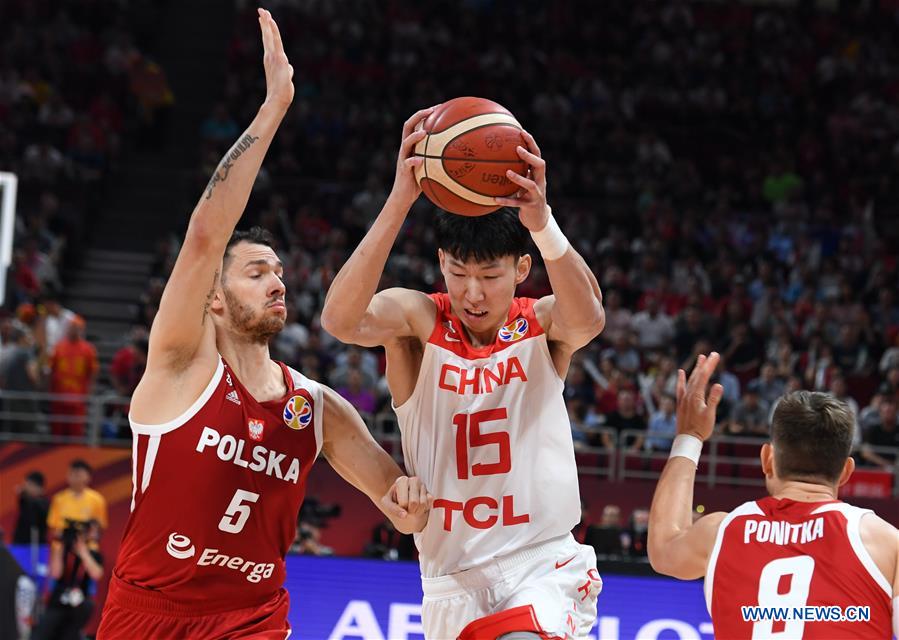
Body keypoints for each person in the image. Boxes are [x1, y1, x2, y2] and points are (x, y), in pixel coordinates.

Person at [97, 12, 430, 639]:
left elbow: (402, 510)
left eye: (278, 272)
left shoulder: (318, 408)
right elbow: (205, 236)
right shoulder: (180, 365)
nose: (277, 282)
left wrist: (410, 504)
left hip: (253, 618)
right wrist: (274, 107)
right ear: (214, 300)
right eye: (255, 272)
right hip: (149, 614)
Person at [321, 108, 605, 639]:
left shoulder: (540, 323)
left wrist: (542, 224)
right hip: (448, 582)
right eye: (458, 273)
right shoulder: (417, 322)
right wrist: (400, 199)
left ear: (521, 269)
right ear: (441, 263)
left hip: (540, 563)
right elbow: (339, 320)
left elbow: (589, 319)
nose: (473, 293)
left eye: (490, 275)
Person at [648, 352, 897, 638]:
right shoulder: (885, 543)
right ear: (846, 472)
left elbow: (663, 546)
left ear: (767, 460)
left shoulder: (722, 532)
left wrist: (689, 436)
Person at [32, 520, 104, 640]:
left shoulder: (93, 554)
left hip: (80, 603)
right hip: (59, 600)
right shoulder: (63, 551)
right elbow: (55, 574)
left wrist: (83, 552)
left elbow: (97, 574)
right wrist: (58, 549)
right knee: (41, 633)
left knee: (86, 608)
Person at [48, 315, 98, 437]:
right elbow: (51, 369)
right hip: (59, 397)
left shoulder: (88, 349)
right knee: (57, 432)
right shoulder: (58, 347)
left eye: (77, 327)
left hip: (78, 399)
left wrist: (90, 391)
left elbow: (93, 372)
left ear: (82, 330)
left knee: (75, 433)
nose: (74, 330)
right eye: (72, 327)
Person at [47, 460, 108, 542]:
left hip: (87, 543)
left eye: (78, 475)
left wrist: (87, 536)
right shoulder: (58, 499)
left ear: (88, 477)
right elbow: (53, 526)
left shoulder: (97, 499)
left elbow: (99, 528)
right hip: (63, 542)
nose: (75, 477)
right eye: (71, 474)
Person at [13, 471, 49, 545]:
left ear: (39, 488)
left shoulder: (44, 503)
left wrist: (23, 495)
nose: (24, 488)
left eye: (28, 485)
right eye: (24, 485)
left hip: (37, 546)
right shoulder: (25, 501)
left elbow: (37, 508)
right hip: (20, 545)